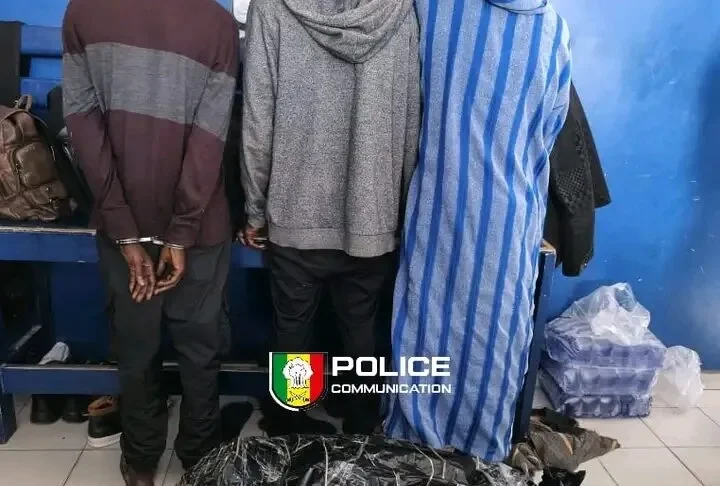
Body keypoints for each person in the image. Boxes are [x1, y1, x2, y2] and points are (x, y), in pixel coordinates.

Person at [385, 0, 572, 461]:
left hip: (441, 206)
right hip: (512, 221)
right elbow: (551, 128)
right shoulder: (553, 30)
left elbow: (402, 99)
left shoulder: (434, 9)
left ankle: (415, 441)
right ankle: (483, 446)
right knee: (495, 335)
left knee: (427, 322)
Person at [62, 0, 238, 483]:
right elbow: (210, 138)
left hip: (125, 221)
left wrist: (123, 228)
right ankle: (199, 456)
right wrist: (181, 232)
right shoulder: (218, 24)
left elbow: (82, 124)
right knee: (200, 347)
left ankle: (141, 460)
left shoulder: (83, 12)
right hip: (200, 227)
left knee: (136, 344)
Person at [241, 0, 420, 436]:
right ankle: (362, 422)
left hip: (293, 208)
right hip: (373, 213)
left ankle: (288, 423)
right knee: (361, 325)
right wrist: (400, 207)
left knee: (292, 327)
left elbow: (257, 118)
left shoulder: (271, 8)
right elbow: (410, 123)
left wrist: (255, 208)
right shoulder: (399, 11)